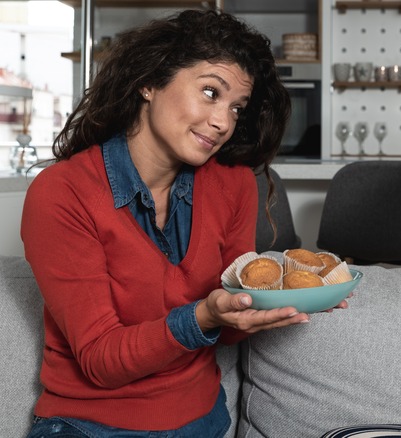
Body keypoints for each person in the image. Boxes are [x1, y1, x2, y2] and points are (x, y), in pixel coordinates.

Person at [20, 9, 330, 437]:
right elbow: (100, 359)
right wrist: (202, 316)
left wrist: (267, 304)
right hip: (88, 426)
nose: (223, 122)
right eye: (209, 92)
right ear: (149, 81)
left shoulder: (235, 184)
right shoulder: (62, 193)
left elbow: (229, 329)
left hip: (203, 422)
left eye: (236, 108)